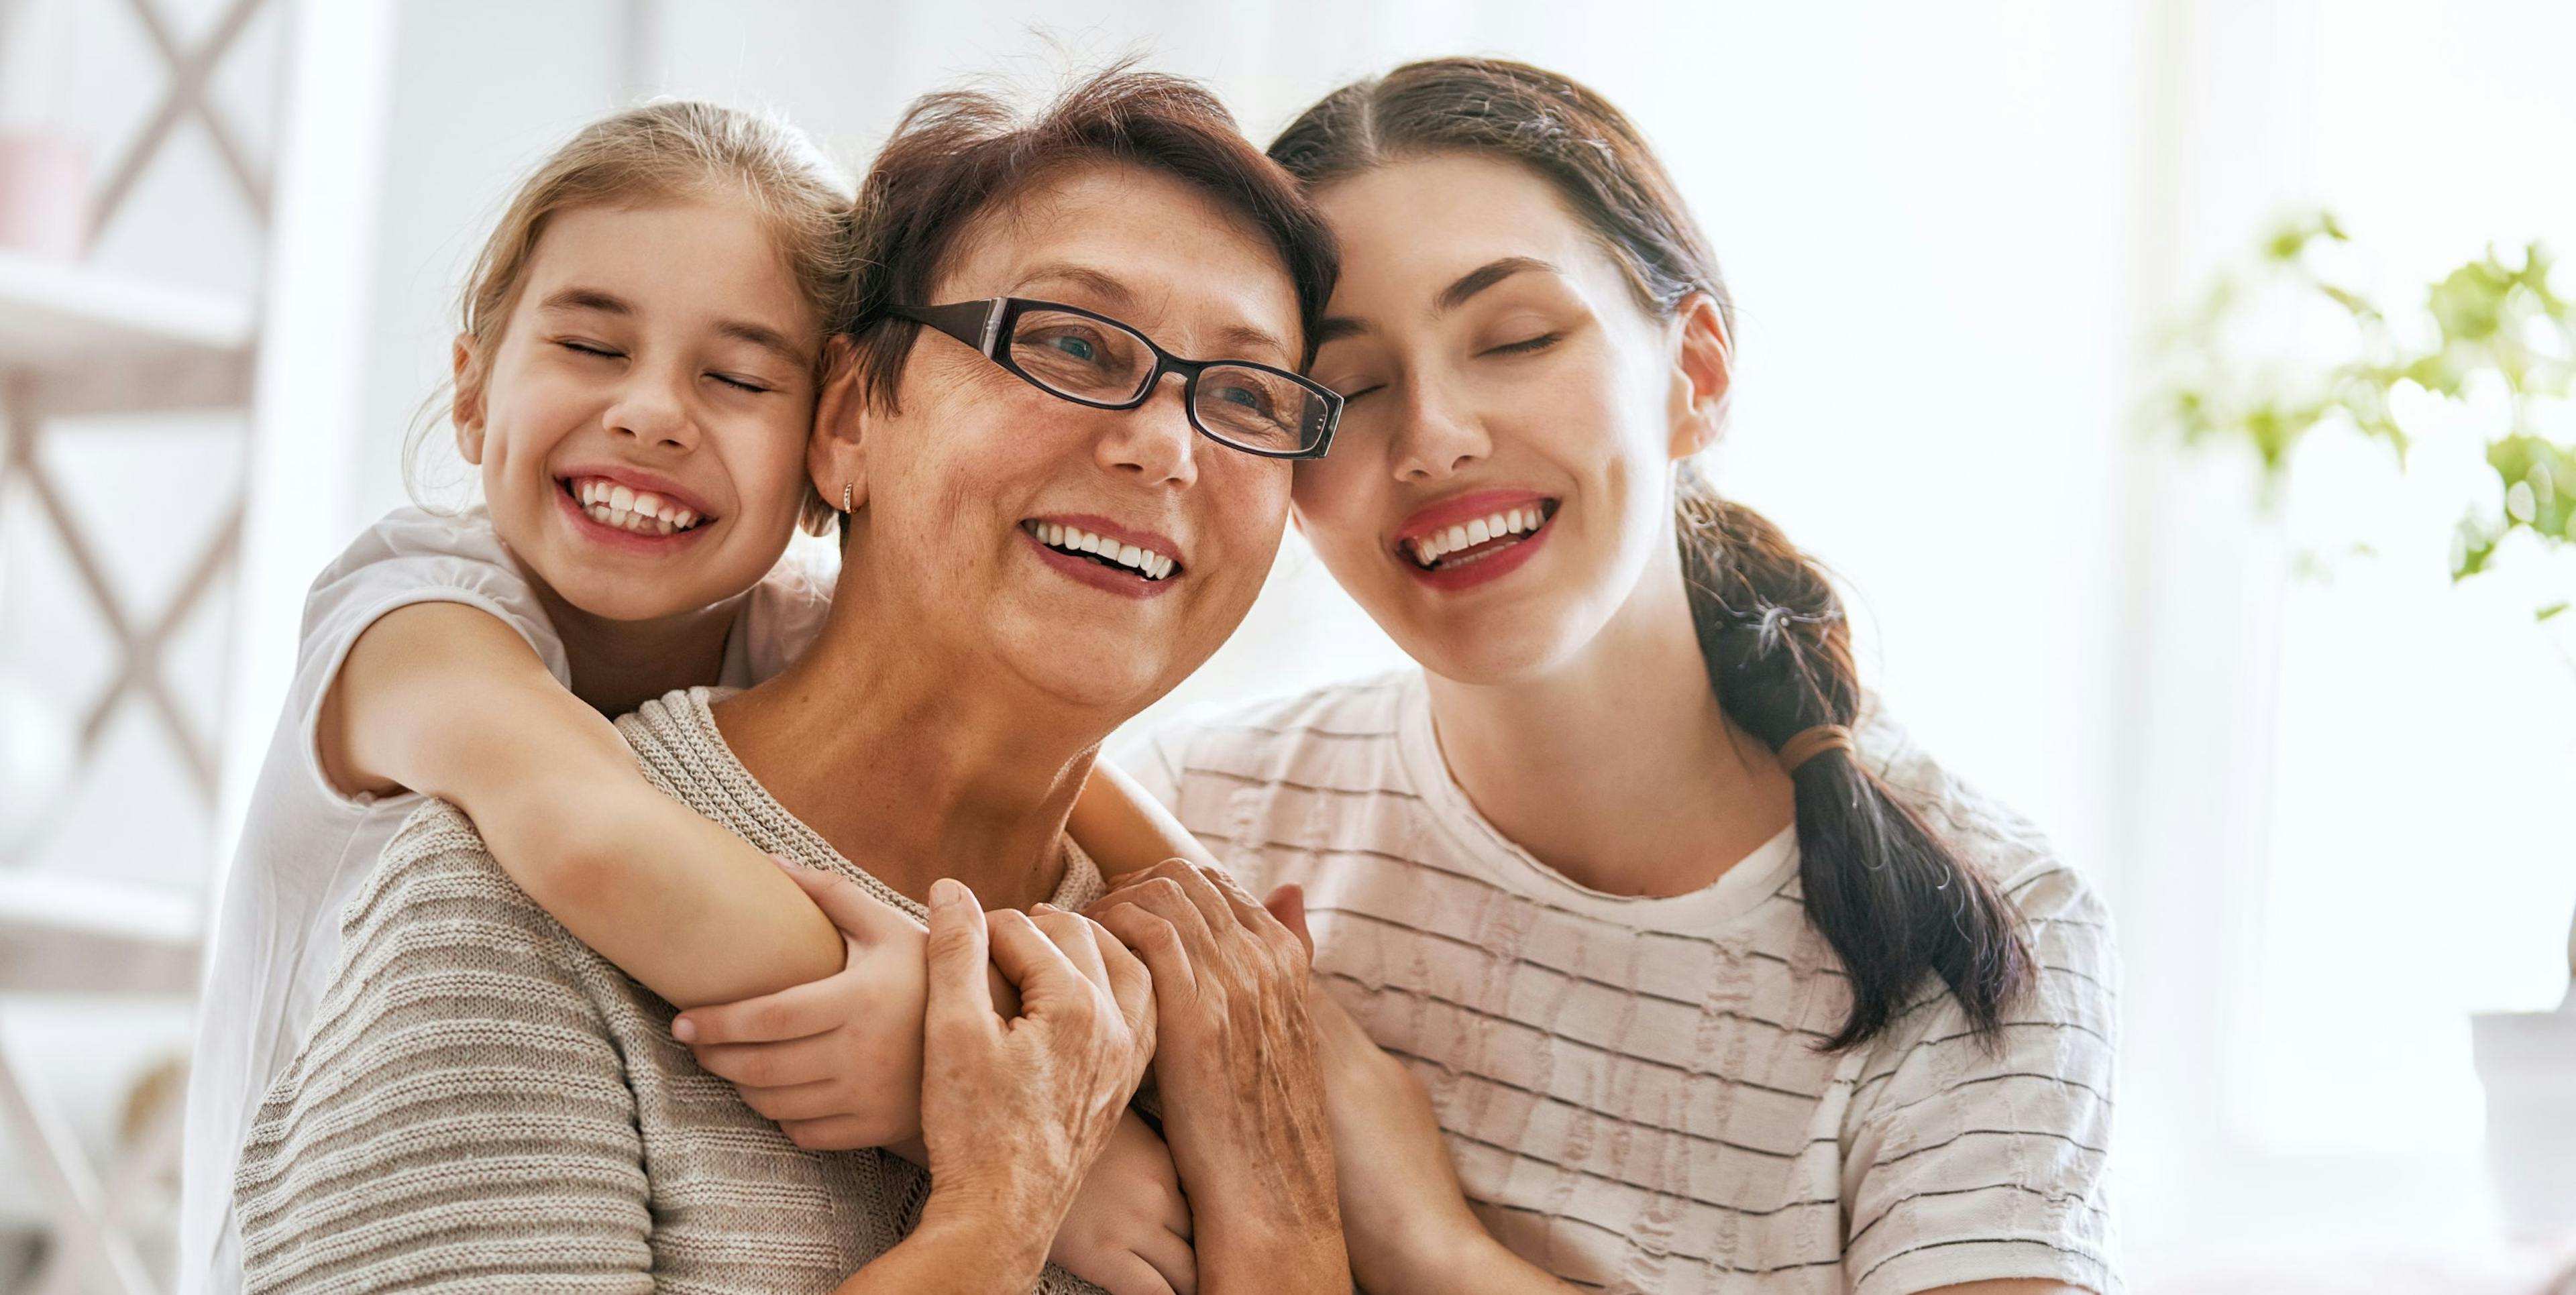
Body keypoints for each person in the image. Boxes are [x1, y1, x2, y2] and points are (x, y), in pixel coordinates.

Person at [230, 68, 1350, 1294]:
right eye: (1071, 343)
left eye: (1246, 395)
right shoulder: (491, 855)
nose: (1165, 444)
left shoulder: (1198, 1020)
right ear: (850, 422)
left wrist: (1282, 1190)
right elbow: (590, 837)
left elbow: (1107, 818)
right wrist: (996, 1165)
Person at [1122, 58, 2122, 1295]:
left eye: (1519, 338)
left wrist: (1427, 1242)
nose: (1433, 436)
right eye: (1348, 388)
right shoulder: (1198, 809)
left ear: (1694, 374)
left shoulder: (1985, 931)